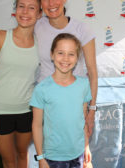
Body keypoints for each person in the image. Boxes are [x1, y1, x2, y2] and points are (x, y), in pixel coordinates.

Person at [0, 0, 98, 137]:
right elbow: (15, 36)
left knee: (75, 151)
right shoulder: (37, 24)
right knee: (47, 152)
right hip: (44, 106)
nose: (51, 3)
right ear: (41, 6)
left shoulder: (82, 29)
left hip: (74, 103)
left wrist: (91, 110)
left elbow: (92, 72)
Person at [0, 0, 41, 168]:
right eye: (21, 6)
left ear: (39, 14)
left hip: (27, 111)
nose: (25, 12)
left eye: (31, 8)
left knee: (23, 155)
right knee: (8, 161)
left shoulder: (41, 43)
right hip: (0, 112)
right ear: (15, 10)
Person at [30, 33, 92, 168]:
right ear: (52, 55)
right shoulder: (42, 89)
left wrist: (86, 147)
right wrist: (40, 158)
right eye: (60, 53)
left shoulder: (83, 85)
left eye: (71, 54)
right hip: (54, 158)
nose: (65, 58)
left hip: (78, 154)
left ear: (77, 58)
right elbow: (37, 126)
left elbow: (83, 120)